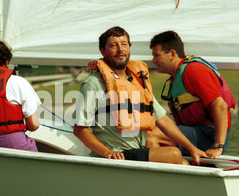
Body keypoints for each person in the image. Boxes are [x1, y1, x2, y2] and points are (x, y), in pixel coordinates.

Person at [73, 27, 206, 165]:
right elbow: (80, 129)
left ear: (129, 47)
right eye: (113, 45)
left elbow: (163, 120)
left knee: (183, 162)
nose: (120, 49)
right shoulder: (93, 84)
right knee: (174, 154)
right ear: (102, 51)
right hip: (116, 155)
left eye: (124, 44)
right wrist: (107, 152)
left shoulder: (137, 82)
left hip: (138, 150)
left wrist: (192, 148)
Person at [149, 30, 236, 159]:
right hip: (196, 133)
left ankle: (158, 177)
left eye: (157, 55)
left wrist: (218, 146)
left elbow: (220, 106)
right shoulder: (176, 78)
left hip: (209, 135)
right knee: (150, 133)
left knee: (152, 135)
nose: (153, 60)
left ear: (172, 54)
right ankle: (180, 167)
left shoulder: (193, 71)